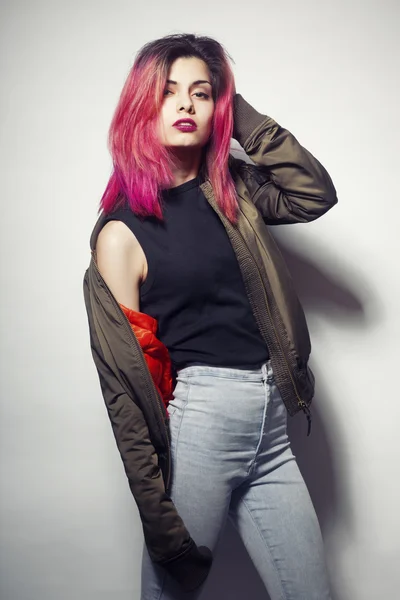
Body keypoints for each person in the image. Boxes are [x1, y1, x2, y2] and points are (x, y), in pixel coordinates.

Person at [83, 32, 338, 600]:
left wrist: (234, 103)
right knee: (169, 592)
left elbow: (312, 193)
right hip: (200, 426)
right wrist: (154, 505)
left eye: (201, 93)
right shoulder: (123, 234)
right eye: (167, 91)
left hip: (272, 422)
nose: (185, 104)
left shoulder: (235, 195)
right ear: (140, 107)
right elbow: (124, 386)